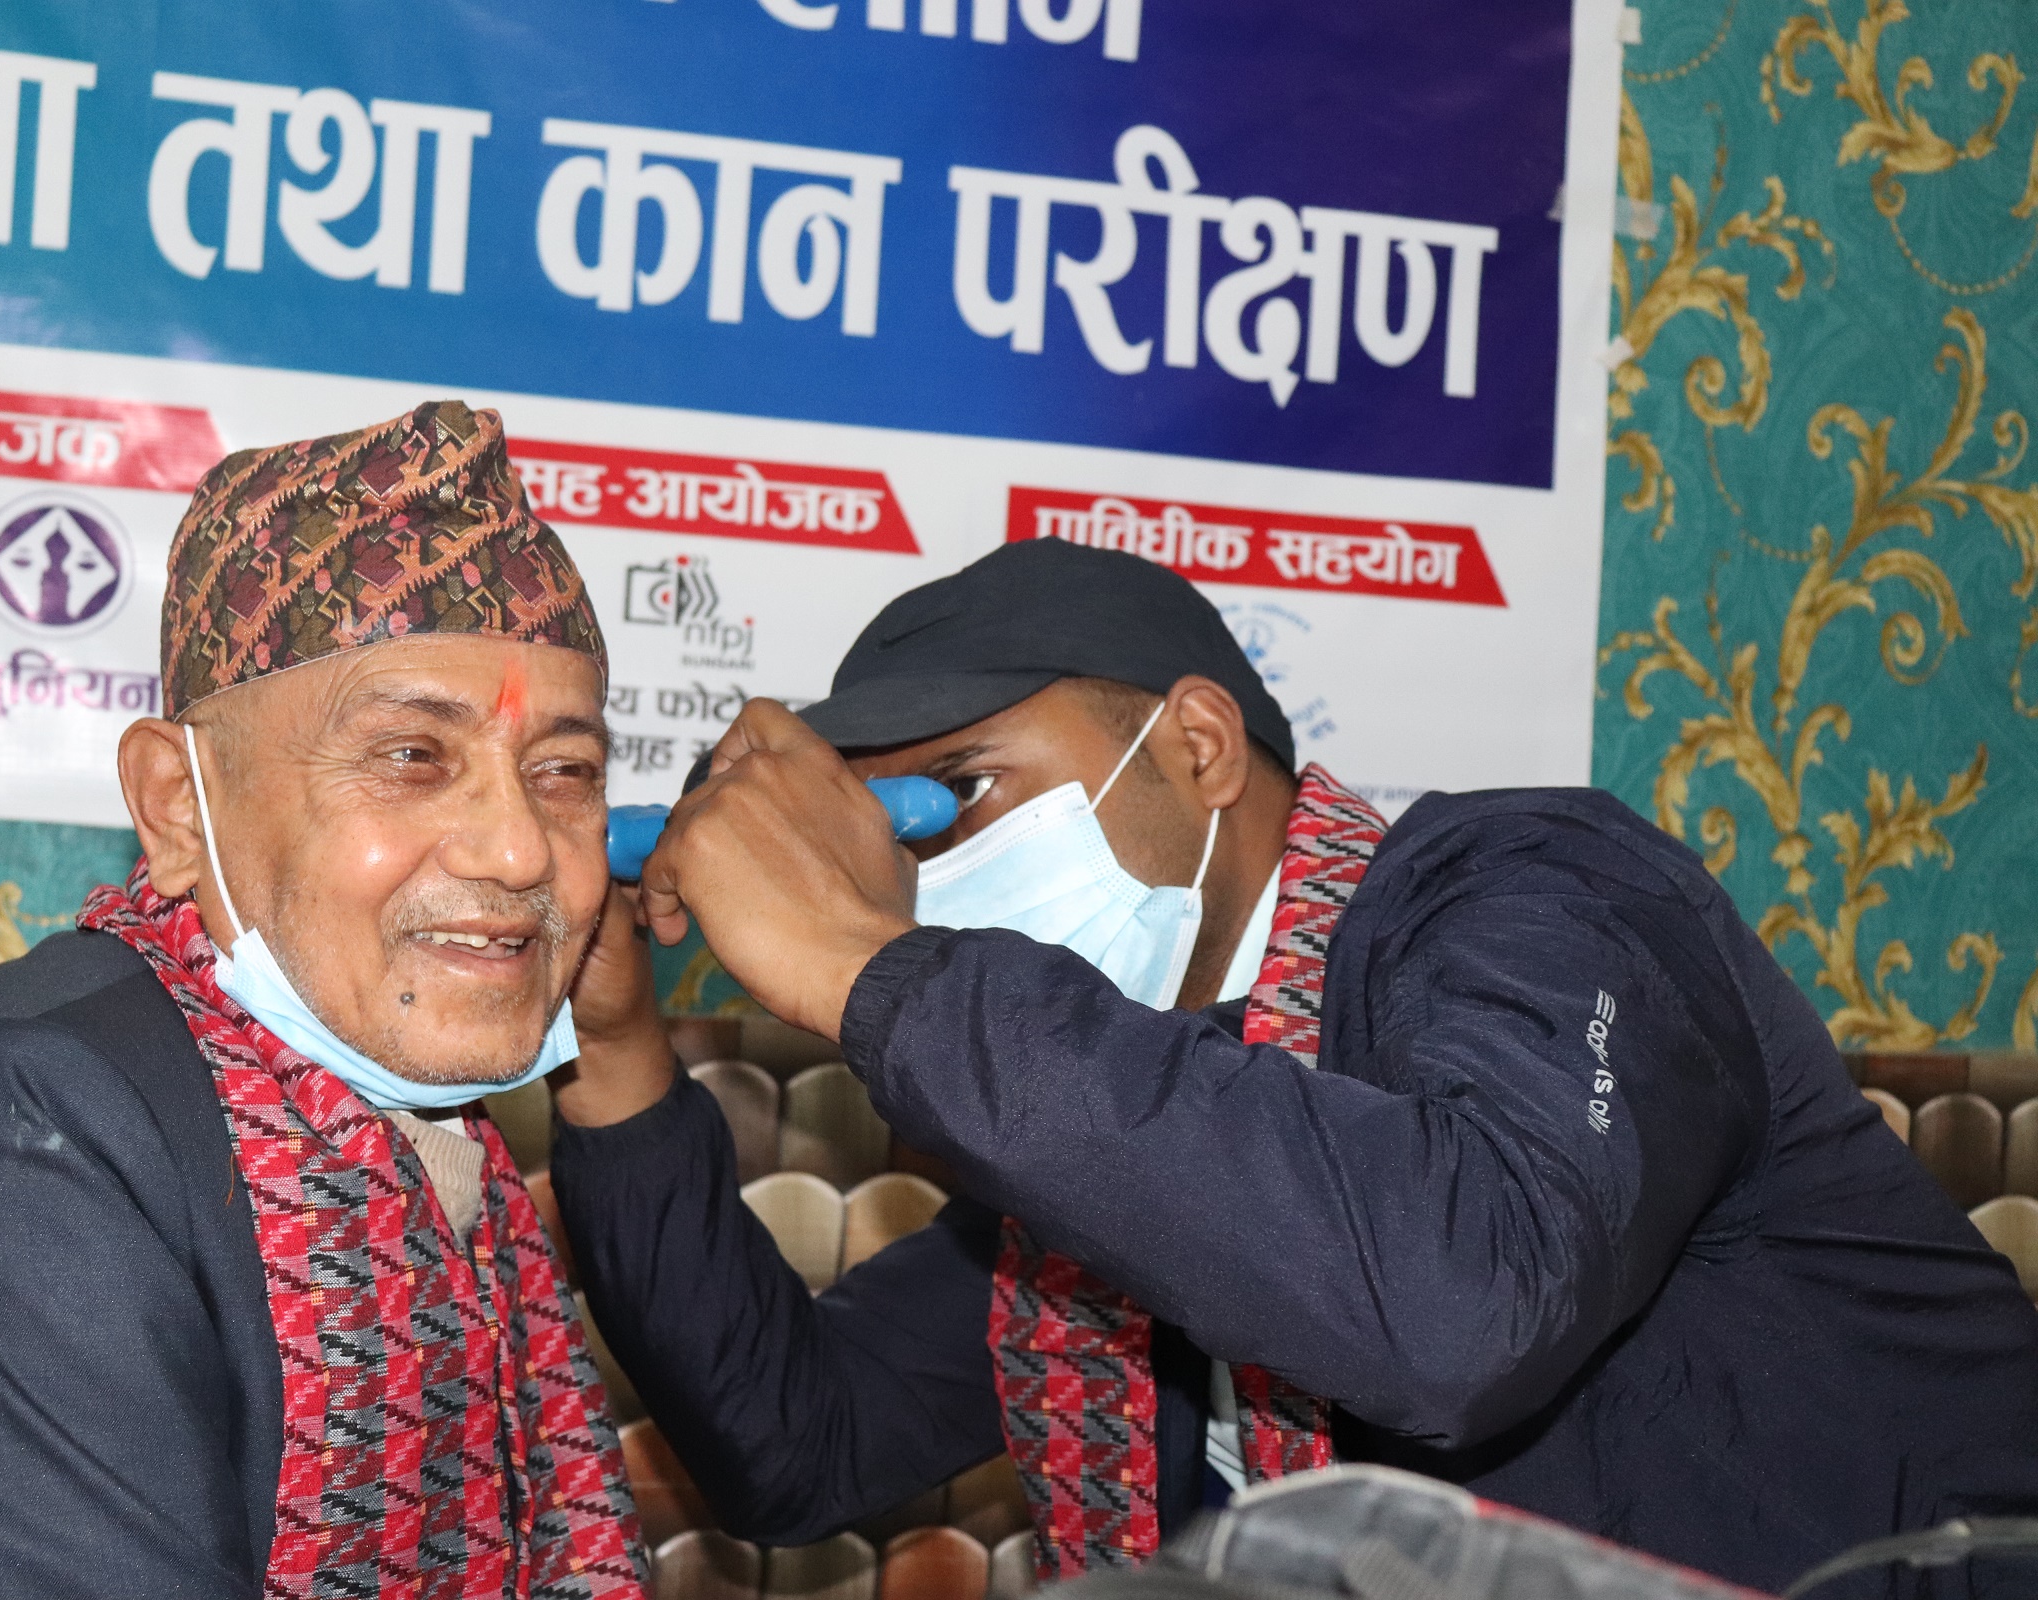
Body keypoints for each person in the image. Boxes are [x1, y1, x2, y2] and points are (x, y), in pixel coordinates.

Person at [549, 539, 2038, 1596]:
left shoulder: (1542, 893)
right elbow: (798, 1444)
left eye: (954, 798)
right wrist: (615, 1057)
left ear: (1197, 746)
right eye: (879, 842)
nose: (916, 877)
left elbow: (1463, 1302)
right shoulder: (1119, 1136)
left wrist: (864, 959)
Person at [0, 402, 649, 1600]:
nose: (520, 848)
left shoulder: (420, 1126)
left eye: (563, 771)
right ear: (179, 806)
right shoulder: (5, 1132)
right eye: (410, 756)